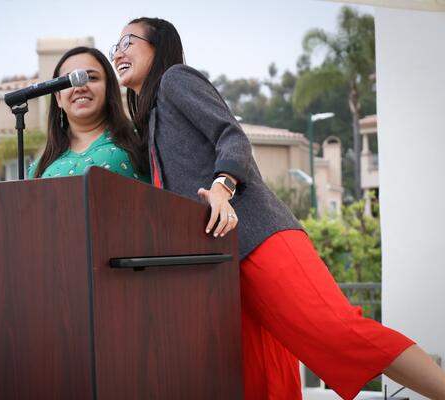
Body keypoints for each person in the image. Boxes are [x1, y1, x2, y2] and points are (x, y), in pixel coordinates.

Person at [111, 17, 445, 400]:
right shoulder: (150, 119)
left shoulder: (175, 80)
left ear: (159, 45)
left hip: (258, 234)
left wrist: (223, 186)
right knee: (260, 373)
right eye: (115, 46)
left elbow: (231, 136)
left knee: (337, 331)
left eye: (128, 41)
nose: (119, 52)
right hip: (222, 261)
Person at [28, 46, 148, 183]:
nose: (80, 87)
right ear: (58, 98)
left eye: (91, 77)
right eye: (70, 80)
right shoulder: (39, 168)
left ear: (108, 88)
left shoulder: (141, 139)